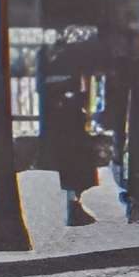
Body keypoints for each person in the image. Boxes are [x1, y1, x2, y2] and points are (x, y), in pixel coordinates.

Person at [43, 79, 103, 227]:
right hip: (74, 152)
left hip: (71, 152)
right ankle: (74, 210)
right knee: (75, 181)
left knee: (73, 182)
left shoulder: (63, 108)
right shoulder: (69, 109)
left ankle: (73, 209)